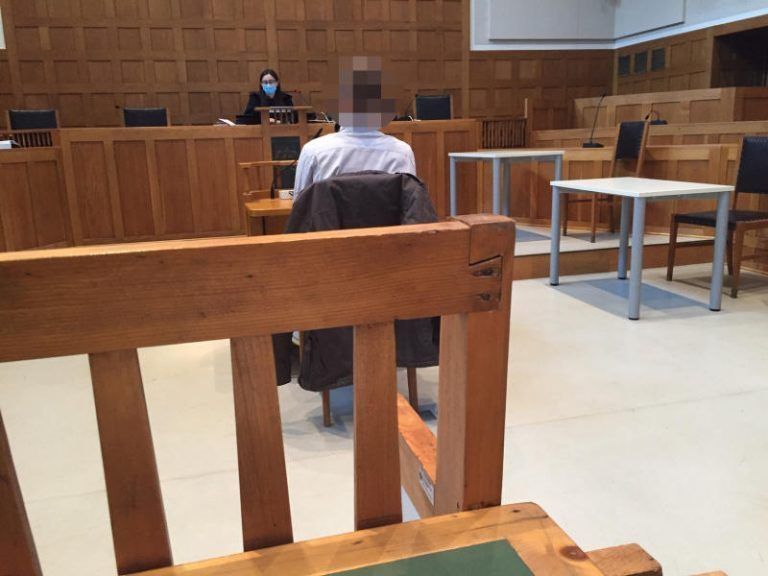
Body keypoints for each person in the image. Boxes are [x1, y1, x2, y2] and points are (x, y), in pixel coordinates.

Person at [292, 56, 416, 199]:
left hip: (328, 215)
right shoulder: (402, 153)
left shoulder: (313, 152)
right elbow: (410, 206)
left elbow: (300, 206)